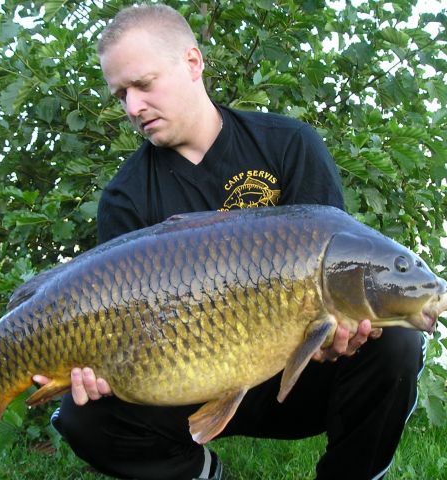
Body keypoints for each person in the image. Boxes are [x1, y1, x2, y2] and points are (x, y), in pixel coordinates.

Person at [34, 4, 425, 479]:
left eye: (143, 85)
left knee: (398, 346)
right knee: (83, 419)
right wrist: (96, 369)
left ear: (193, 63)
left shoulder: (288, 145)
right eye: (121, 95)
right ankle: (202, 473)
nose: (133, 108)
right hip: (182, 377)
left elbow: (340, 259)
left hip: (295, 377)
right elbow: (116, 325)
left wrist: (335, 336)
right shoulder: (126, 196)